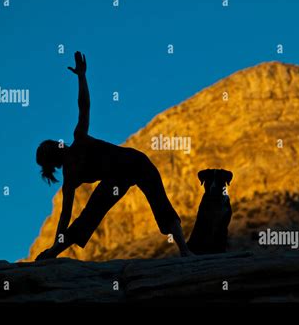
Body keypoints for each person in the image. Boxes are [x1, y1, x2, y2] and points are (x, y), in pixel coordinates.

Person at [35, 51, 192, 260]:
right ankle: (185, 251)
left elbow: (84, 106)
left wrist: (82, 77)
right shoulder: (76, 152)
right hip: (122, 173)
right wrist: (82, 77)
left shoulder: (76, 153)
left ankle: (185, 251)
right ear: (56, 152)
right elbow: (84, 106)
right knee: (91, 213)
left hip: (134, 163)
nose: (58, 142)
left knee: (151, 205)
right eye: (55, 144)